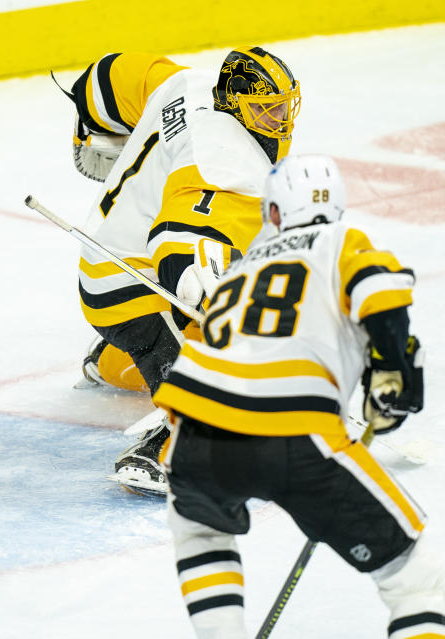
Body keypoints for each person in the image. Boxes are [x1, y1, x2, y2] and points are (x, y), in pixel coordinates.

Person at [152, 154, 445, 638]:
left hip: (195, 441)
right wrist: (392, 370)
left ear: (272, 214)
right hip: (293, 433)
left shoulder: (240, 271)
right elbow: (382, 293)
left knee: (202, 535)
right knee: (417, 581)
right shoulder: (339, 241)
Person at [62, 46, 301, 496]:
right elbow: (177, 250)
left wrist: (87, 127)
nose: (278, 119)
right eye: (264, 109)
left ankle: (112, 363)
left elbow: (110, 76)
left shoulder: (185, 83)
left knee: (190, 325)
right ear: (235, 103)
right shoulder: (226, 163)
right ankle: (175, 445)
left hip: (111, 253)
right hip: (128, 281)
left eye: (283, 106)